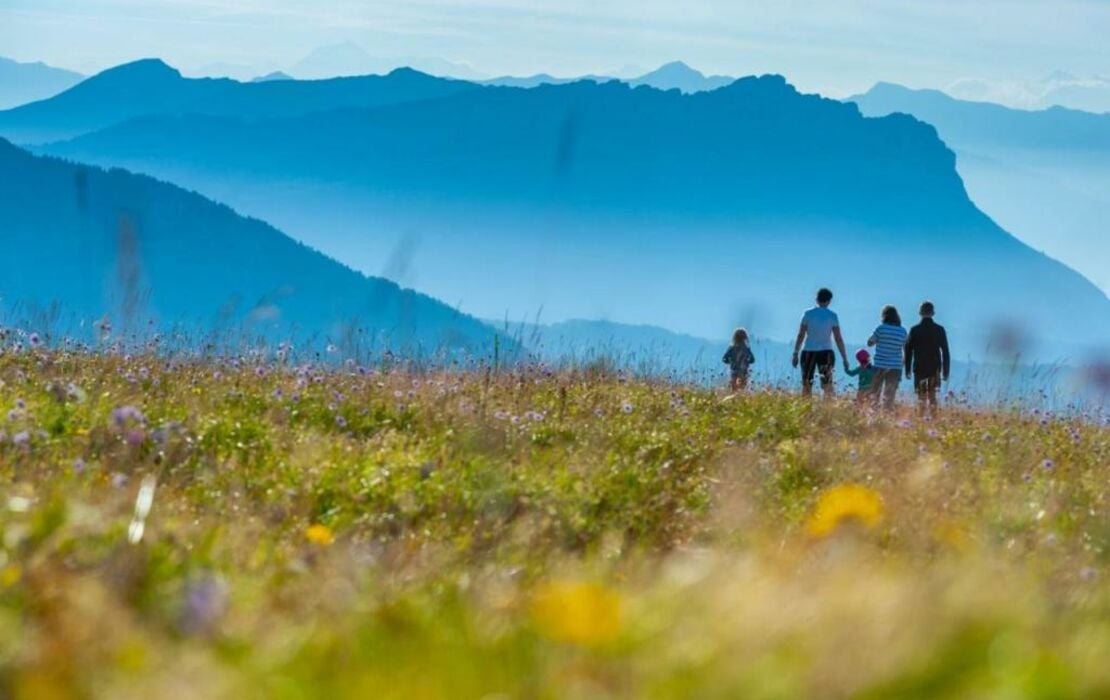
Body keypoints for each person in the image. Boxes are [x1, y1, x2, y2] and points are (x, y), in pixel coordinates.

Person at [792, 288, 850, 397]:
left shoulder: (807, 314)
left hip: (809, 351)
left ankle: (806, 410)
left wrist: (795, 353)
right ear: (829, 300)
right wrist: (844, 358)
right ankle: (827, 408)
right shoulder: (832, 316)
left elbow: (801, 335)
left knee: (807, 383)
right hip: (826, 352)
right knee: (827, 384)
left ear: (816, 299)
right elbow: (838, 338)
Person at [905, 300, 950, 416]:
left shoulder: (914, 330)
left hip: (919, 367)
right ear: (933, 313)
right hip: (934, 367)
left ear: (920, 313)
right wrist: (946, 371)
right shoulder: (939, 329)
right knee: (933, 396)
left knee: (921, 396)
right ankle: (934, 419)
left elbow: (908, 350)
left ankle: (921, 418)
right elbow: (945, 351)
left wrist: (907, 369)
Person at [867, 304, 908, 410]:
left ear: (884, 316)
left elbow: (870, 342)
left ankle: (873, 416)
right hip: (895, 367)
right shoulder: (902, 331)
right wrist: (903, 363)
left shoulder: (881, 329)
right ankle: (887, 415)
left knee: (874, 394)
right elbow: (905, 349)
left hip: (880, 365)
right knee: (889, 397)